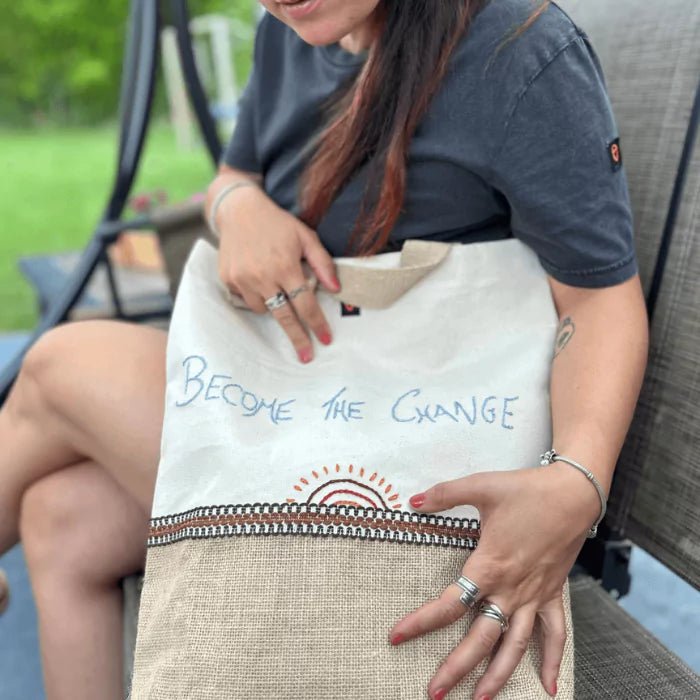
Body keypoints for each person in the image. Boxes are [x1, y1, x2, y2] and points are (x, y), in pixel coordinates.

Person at [0, 0, 649, 698]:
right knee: (63, 516)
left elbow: (599, 296)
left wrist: (576, 482)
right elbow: (234, 176)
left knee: (56, 365)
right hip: (305, 394)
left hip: (411, 446)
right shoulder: (296, 31)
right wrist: (238, 210)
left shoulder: (517, 51)